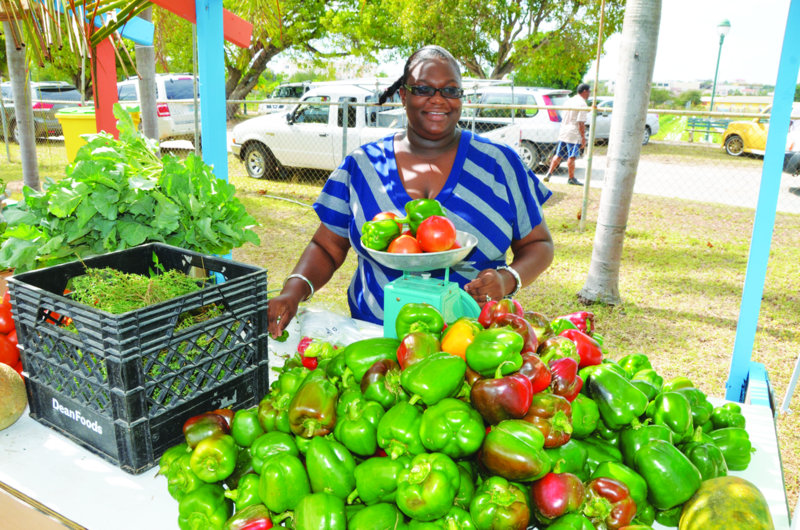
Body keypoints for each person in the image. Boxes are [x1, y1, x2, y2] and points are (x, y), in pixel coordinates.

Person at [267, 45, 554, 338]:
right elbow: (326, 247)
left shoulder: (500, 163)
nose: (439, 100)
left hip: (475, 343)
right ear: (404, 95)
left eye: (451, 91)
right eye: (424, 89)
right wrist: (293, 291)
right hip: (375, 337)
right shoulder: (362, 166)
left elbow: (539, 244)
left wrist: (508, 280)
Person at [543, 83, 590, 185]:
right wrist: (583, 138)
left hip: (564, 130)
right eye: (589, 92)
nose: (589, 94)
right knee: (572, 156)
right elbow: (581, 123)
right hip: (574, 133)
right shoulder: (582, 104)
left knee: (558, 154)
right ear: (585, 91)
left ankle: (549, 173)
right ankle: (571, 178)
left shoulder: (569, 100)